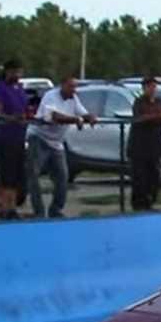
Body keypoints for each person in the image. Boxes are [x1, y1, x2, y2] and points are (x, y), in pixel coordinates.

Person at [27, 76, 96, 218]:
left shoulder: (73, 98)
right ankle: (38, 211)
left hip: (56, 142)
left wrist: (90, 117)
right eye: (71, 86)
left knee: (63, 176)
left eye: (75, 87)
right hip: (39, 138)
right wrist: (75, 119)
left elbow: (82, 112)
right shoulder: (51, 96)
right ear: (62, 85)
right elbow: (54, 117)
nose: (73, 90)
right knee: (33, 174)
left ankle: (56, 209)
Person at [129, 76, 161, 211]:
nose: (152, 90)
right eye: (150, 87)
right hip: (139, 144)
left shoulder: (160, 101)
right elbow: (140, 118)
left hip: (156, 143)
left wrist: (160, 116)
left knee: (154, 174)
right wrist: (159, 116)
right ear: (144, 88)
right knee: (139, 176)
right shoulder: (139, 102)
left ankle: (150, 200)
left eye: (154, 87)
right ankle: (138, 203)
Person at [0, 59, 29, 220]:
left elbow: (25, 107)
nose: (17, 75)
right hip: (6, 136)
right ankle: (5, 208)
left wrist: (26, 116)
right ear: (7, 71)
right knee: (7, 174)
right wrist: (12, 118)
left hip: (20, 135)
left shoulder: (19, 88)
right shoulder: (0, 88)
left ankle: (13, 207)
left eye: (19, 72)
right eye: (14, 72)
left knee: (18, 174)